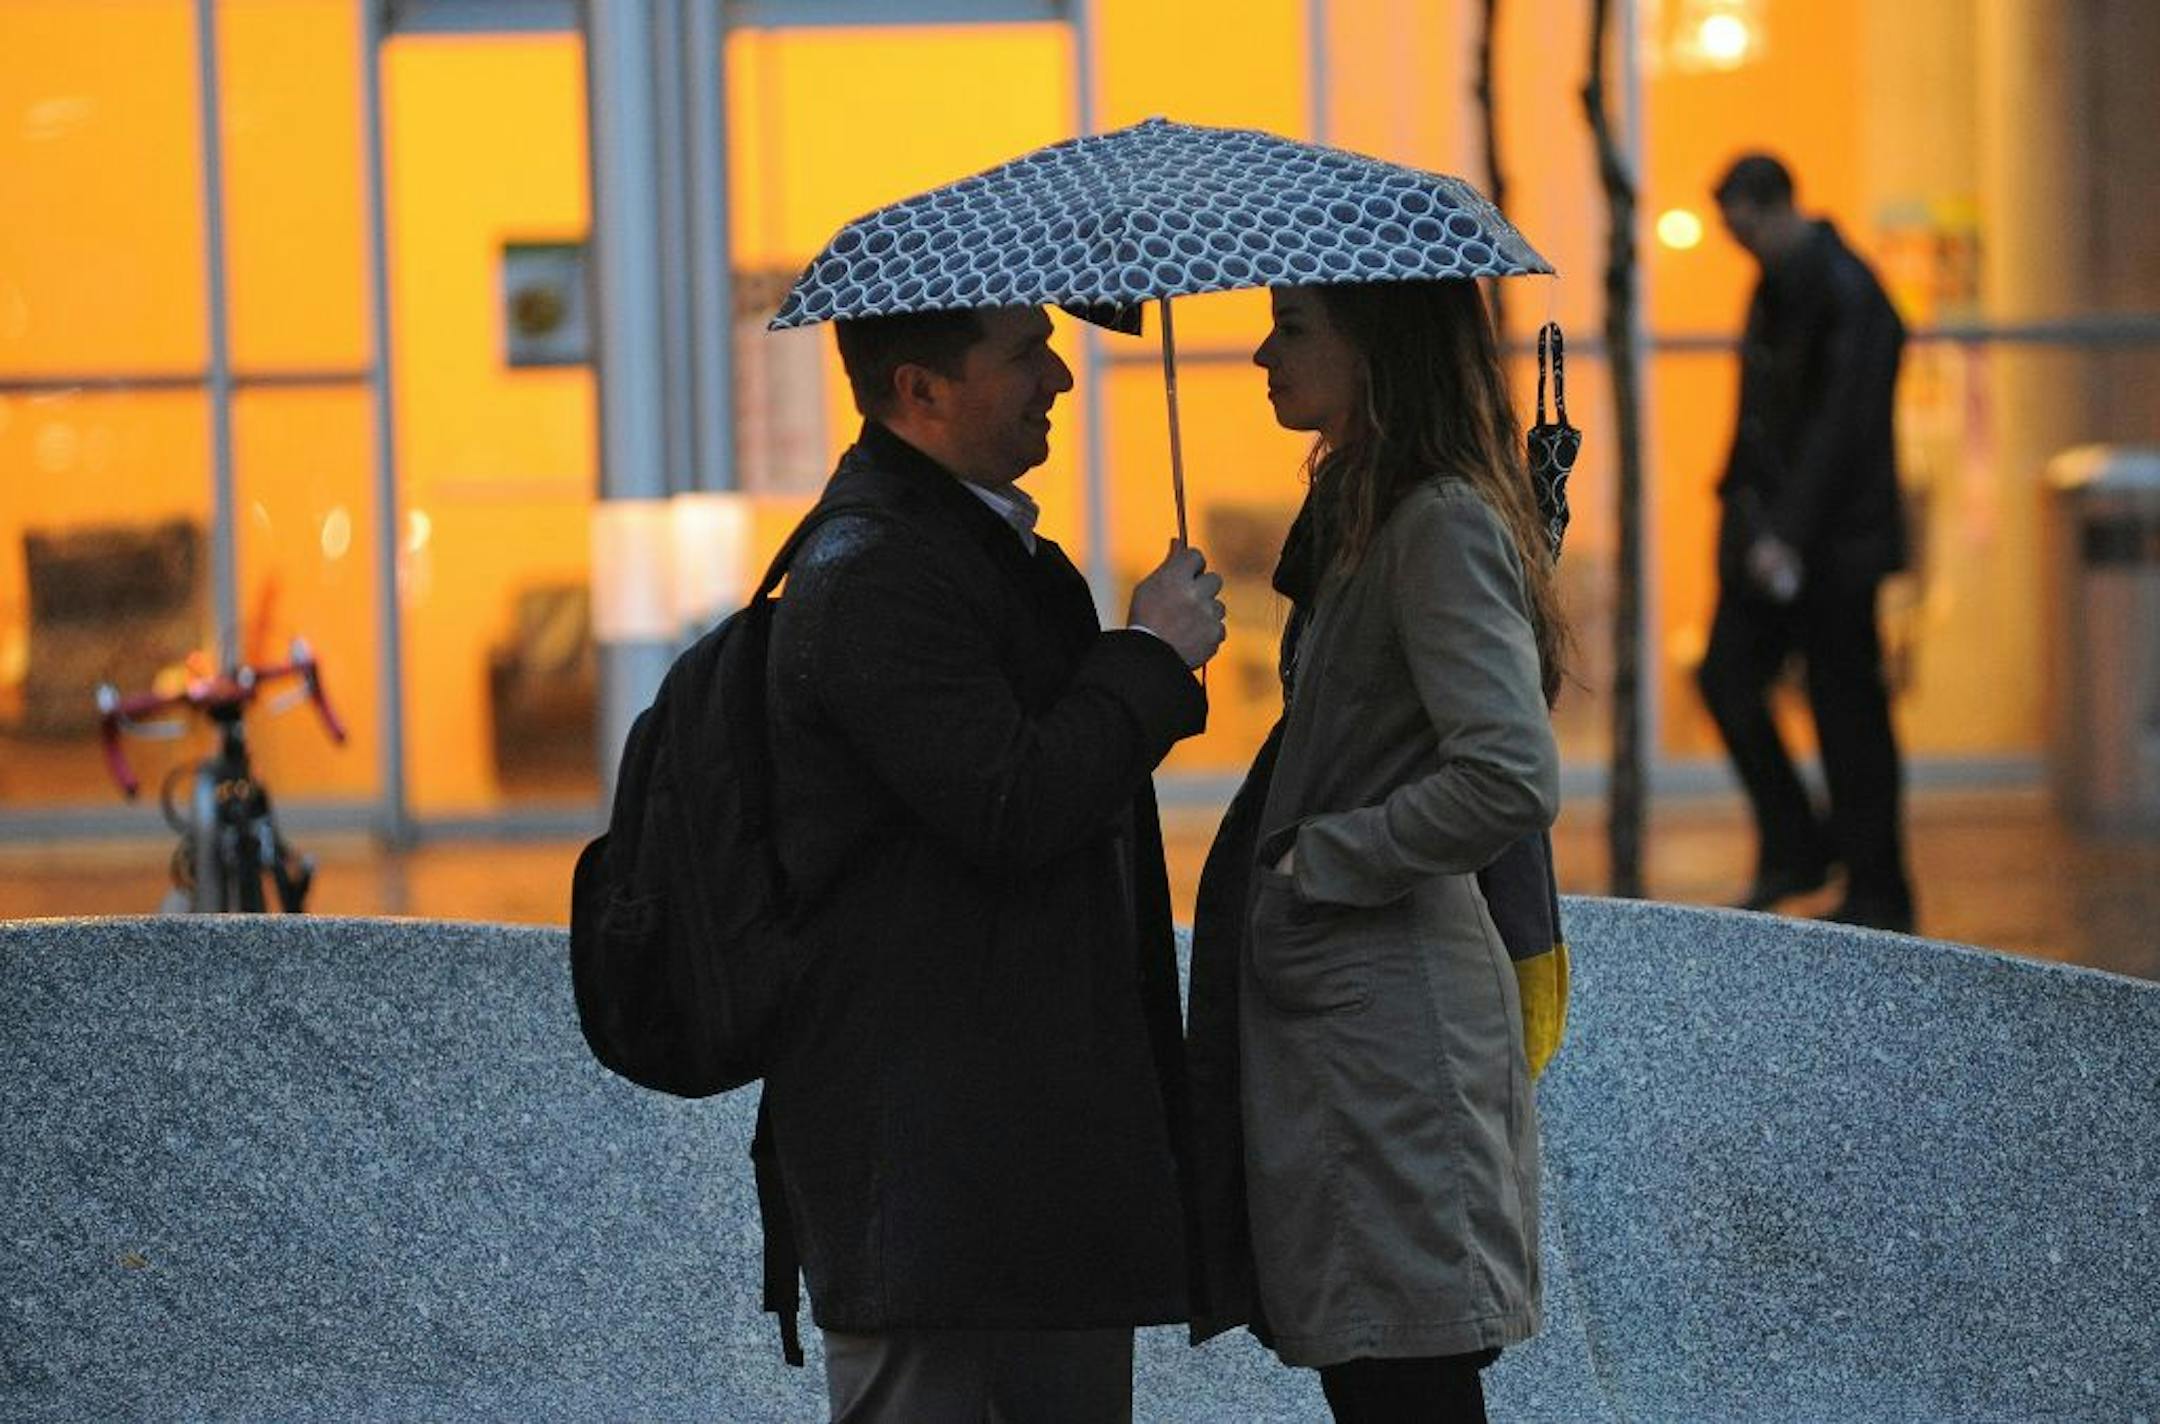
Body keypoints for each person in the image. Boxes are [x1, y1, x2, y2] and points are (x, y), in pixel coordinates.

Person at [759, 302, 1227, 1423]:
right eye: (1024, 353)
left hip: (1019, 1157)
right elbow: (1014, 801)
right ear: (919, 389)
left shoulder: (989, 555)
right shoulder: (872, 572)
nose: (1060, 375)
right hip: (927, 1174)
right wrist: (1151, 656)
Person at [1185, 278, 1564, 1424]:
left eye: (1293, 327)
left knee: (1406, 1377)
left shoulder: (1434, 521)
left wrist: (1326, 860)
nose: (1262, 352)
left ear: (1377, 343)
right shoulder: (1368, 514)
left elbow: (1509, 770)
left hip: (1390, 1033)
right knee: (1384, 1370)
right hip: (1358, 1029)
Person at [1701, 152, 1916, 933]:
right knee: (1730, 678)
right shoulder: (1782, 287)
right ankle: (1805, 847)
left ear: (1779, 205)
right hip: (1783, 539)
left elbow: (1842, 430)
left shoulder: (1844, 290)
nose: (1738, 241)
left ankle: (1876, 886)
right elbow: (1767, 420)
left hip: (1831, 547)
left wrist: (1785, 533)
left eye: (1744, 223)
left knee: (1848, 715)